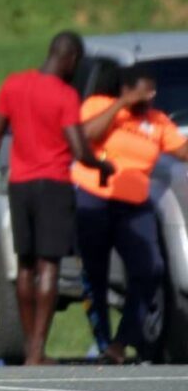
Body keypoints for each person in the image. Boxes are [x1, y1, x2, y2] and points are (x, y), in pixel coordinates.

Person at [0, 32, 112, 365]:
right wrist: (102, 166)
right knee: (48, 266)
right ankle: (36, 350)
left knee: (25, 266)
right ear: (72, 58)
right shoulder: (65, 95)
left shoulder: (13, 85)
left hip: (20, 185)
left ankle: (29, 346)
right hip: (54, 186)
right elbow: (79, 150)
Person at [73, 65, 188, 364]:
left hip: (134, 205)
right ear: (126, 88)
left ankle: (122, 342)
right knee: (94, 274)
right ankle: (103, 342)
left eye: (152, 93)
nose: (148, 98)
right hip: (95, 198)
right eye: (143, 92)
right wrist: (122, 105)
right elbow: (86, 135)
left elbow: (181, 148)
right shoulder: (99, 105)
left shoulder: (157, 121)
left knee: (150, 268)